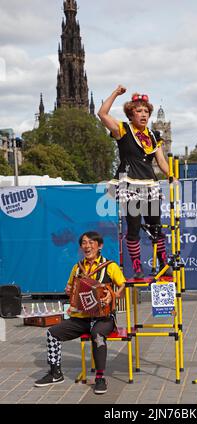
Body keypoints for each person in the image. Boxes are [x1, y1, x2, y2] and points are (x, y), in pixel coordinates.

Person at [34, 231, 125, 395]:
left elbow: (122, 286)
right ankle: (56, 373)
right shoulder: (77, 268)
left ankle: (100, 378)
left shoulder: (110, 266)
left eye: (91, 242)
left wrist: (112, 296)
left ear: (100, 246)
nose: (87, 246)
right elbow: (70, 288)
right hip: (81, 318)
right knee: (51, 333)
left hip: (103, 318)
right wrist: (68, 290)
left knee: (97, 335)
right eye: (84, 242)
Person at [98, 86, 172, 279]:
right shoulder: (122, 129)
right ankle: (137, 268)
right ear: (131, 114)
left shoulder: (154, 135)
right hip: (129, 183)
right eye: (139, 111)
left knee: (155, 225)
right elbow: (102, 113)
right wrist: (115, 93)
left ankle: (164, 263)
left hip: (150, 184)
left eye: (146, 111)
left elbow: (161, 161)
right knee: (133, 226)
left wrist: (173, 175)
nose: (143, 114)